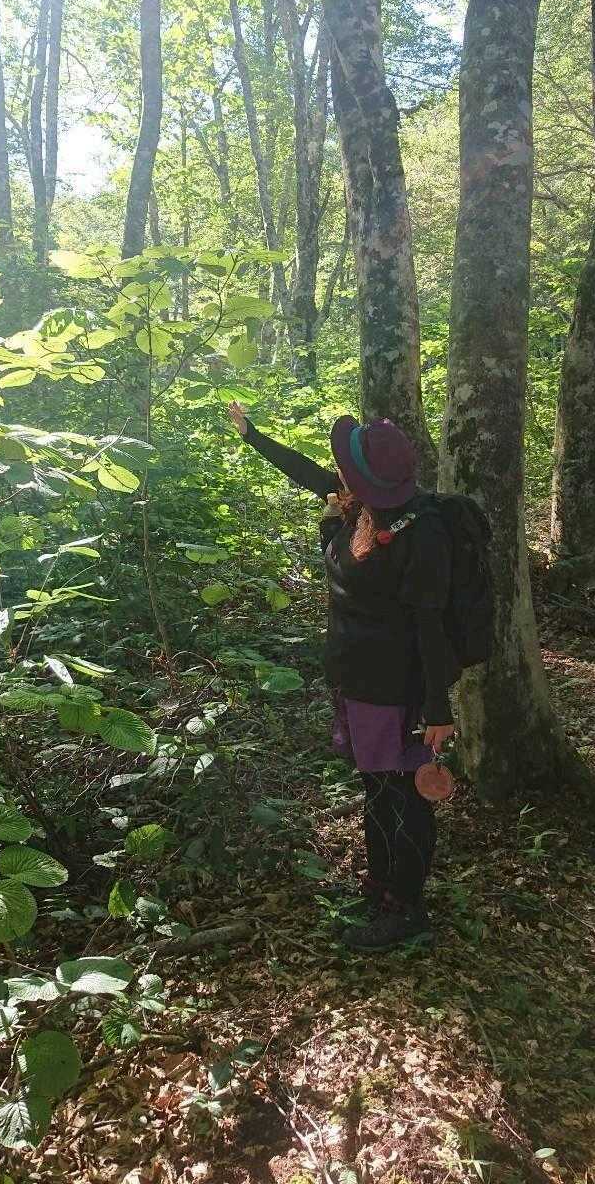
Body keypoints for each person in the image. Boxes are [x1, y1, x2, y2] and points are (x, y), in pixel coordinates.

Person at [228, 402, 459, 951]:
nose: (337, 477)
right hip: (360, 682)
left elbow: (428, 624)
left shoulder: (418, 533)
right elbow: (308, 474)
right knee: (377, 789)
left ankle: (407, 909)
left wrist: (437, 707)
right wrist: (252, 434)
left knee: (406, 798)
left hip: (398, 691)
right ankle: (381, 888)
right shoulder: (363, 506)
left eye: (347, 470)